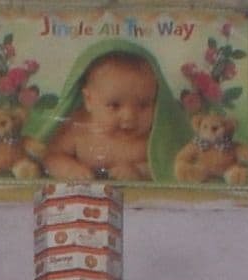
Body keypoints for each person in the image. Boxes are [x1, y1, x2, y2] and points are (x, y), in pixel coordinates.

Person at [35, 47, 168, 184]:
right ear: (89, 100)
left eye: (143, 105)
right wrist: (69, 169)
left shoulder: (153, 137)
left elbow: (166, 166)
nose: (129, 116)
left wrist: (139, 171)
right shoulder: (77, 128)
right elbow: (50, 156)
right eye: (114, 105)